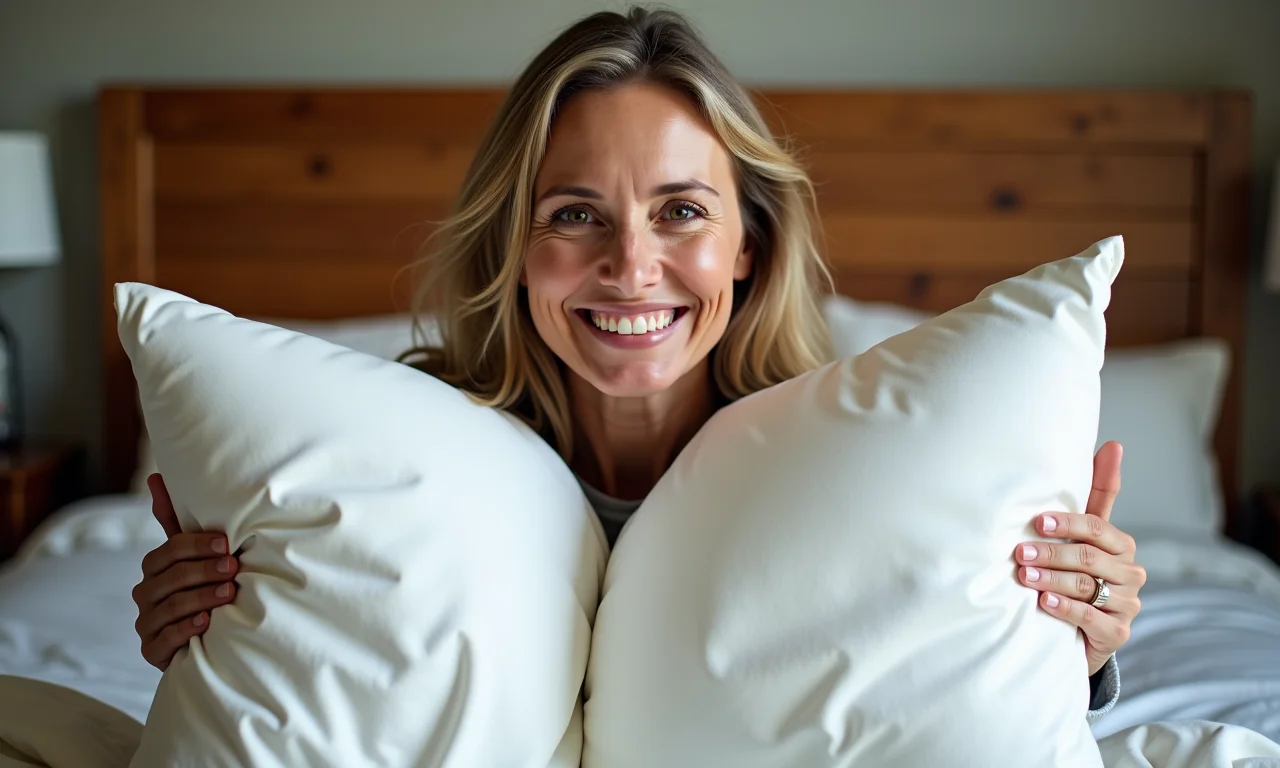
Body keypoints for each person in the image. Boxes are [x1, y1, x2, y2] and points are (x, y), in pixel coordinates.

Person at [131, 7, 1144, 722]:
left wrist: (1071, 647)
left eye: (680, 212)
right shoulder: (391, 462)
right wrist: (211, 633)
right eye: (574, 214)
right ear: (514, 247)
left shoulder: (861, 458)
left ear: (745, 244)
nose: (629, 267)